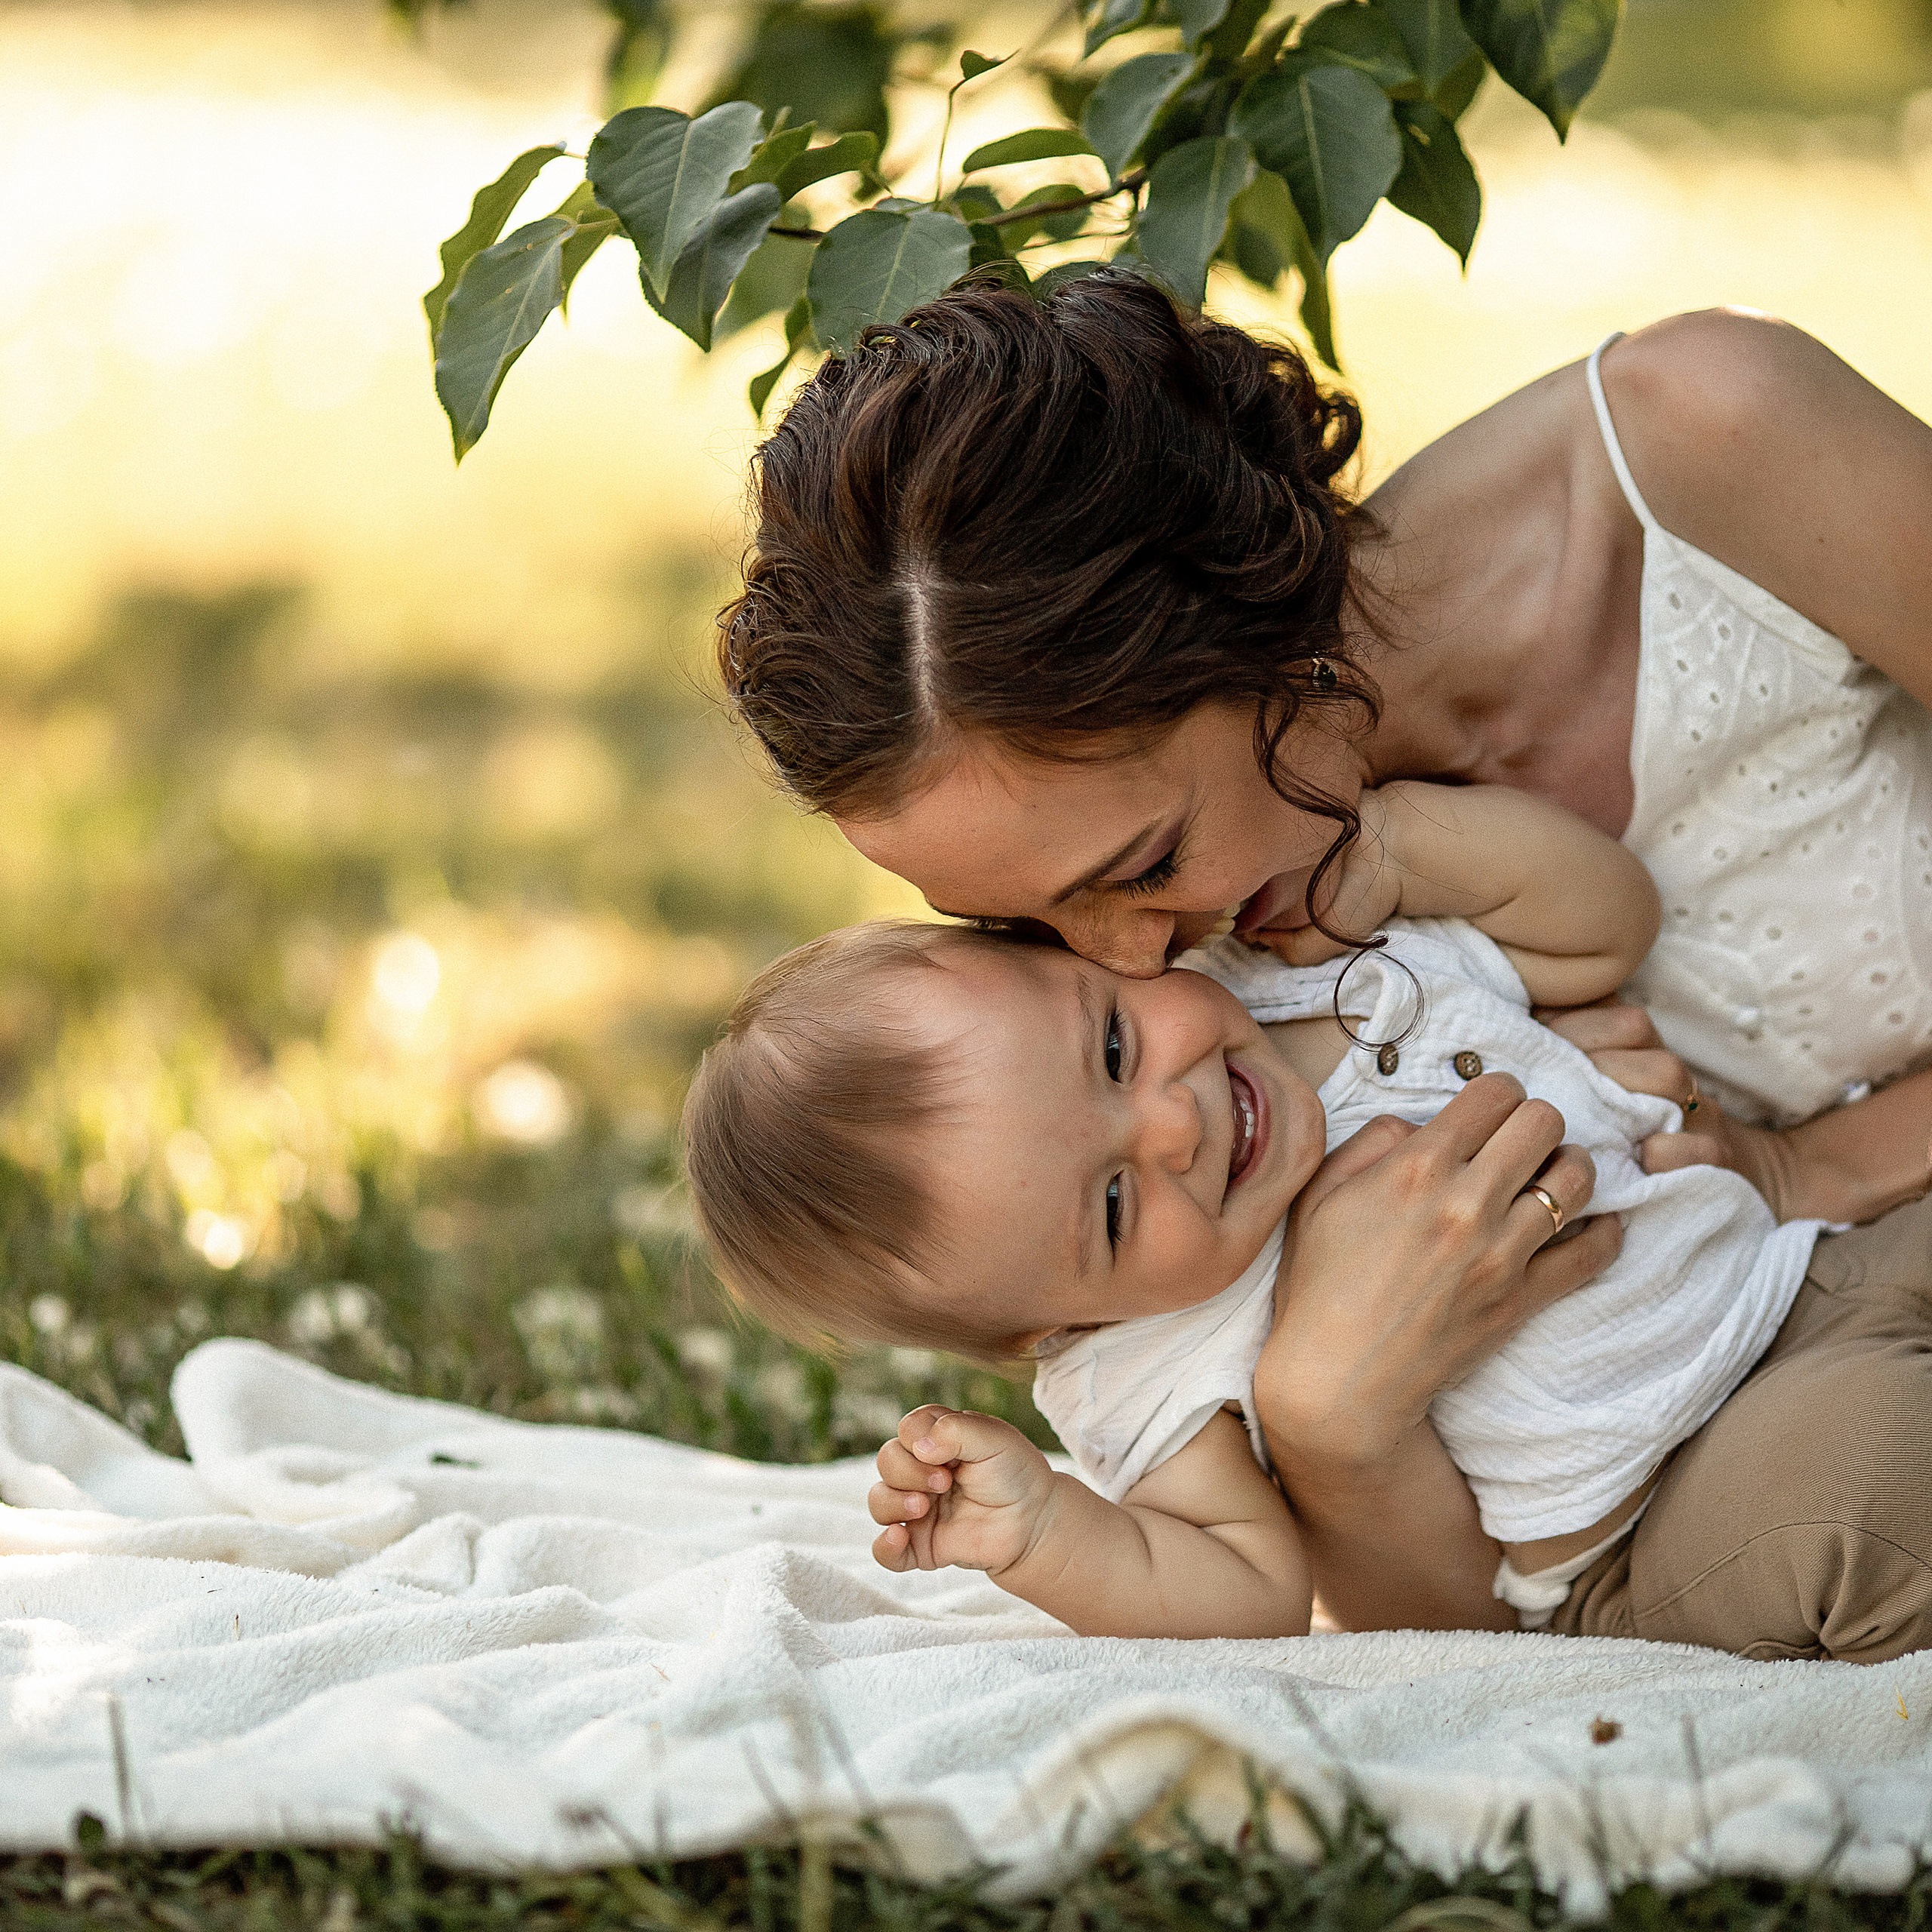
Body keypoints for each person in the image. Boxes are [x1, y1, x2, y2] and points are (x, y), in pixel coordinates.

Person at [713, 272, 1932, 1647]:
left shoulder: (1715, 444)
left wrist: (1810, 1166)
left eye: (1144, 866)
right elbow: (1452, 1635)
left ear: (1251, 639)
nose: (1131, 962)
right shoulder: (1171, 1061)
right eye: (1032, 930)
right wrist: (1333, 1413)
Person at [683, 780, 1872, 1647]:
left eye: (1110, 1043)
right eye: (1110, 1209)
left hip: (1805, 1266)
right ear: (1046, 1330)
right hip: (1671, 1494)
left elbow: (1608, 922)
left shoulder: (1310, 967)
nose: (1175, 1128)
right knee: (1871, 1496)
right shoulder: (1143, 1362)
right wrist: (1047, 1535)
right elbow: (1249, 1593)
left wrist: (1401, 854)